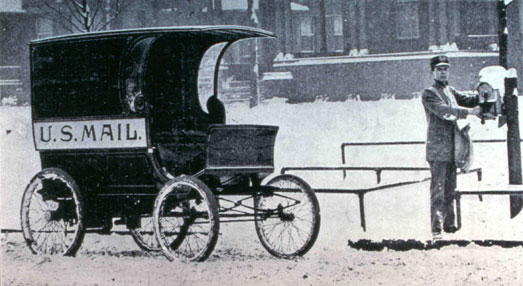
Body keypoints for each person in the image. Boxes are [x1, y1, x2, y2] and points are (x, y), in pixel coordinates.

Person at [421, 55, 482, 239]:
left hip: (453, 149)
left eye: (445, 69)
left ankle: (450, 226)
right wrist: (470, 112)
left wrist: (486, 93)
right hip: (438, 151)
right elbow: (445, 112)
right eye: (439, 69)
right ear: (433, 72)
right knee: (438, 192)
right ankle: (436, 230)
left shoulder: (450, 91)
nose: (443, 72)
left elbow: (470, 99)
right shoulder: (429, 93)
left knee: (451, 190)